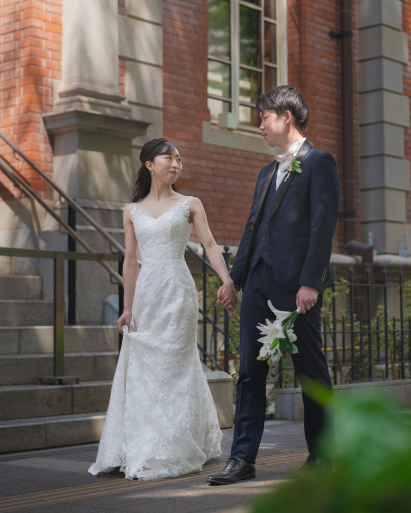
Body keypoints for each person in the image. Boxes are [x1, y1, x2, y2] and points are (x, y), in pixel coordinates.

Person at [208, 85, 340, 485]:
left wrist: (310, 282)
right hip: (260, 284)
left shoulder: (319, 163)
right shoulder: (267, 171)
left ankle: (323, 455)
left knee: (310, 370)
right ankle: (243, 459)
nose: (259, 124)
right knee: (250, 370)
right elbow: (253, 229)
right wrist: (234, 280)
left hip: (297, 286)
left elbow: (322, 228)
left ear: (286, 116)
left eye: (264, 116)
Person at [89, 138, 232, 481]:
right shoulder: (132, 210)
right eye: (169, 157)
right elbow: (130, 262)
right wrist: (126, 308)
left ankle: (176, 444)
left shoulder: (190, 204)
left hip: (179, 292)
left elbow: (210, 245)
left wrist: (227, 280)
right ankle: (144, 443)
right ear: (150, 165)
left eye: (179, 159)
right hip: (147, 296)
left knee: (175, 364)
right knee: (145, 367)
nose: (176, 164)